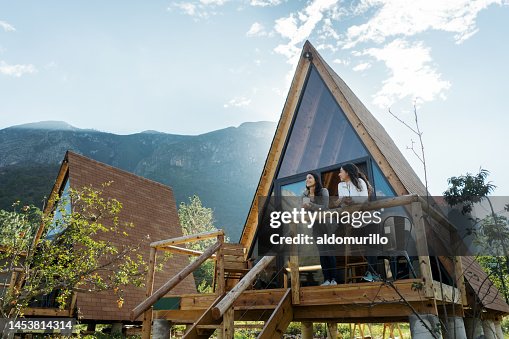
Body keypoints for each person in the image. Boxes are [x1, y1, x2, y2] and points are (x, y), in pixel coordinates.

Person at [335, 163, 379, 282]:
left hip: (370, 219)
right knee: (363, 247)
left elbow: (363, 198)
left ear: (347, 172)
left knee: (371, 247)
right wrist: (345, 201)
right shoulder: (341, 185)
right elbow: (343, 203)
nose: (339, 174)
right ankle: (373, 273)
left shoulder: (360, 181)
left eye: (341, 171)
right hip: (356, 221)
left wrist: (350, 200)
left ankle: (372, 274)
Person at [302, 173, 337, 286]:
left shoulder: (323, 191)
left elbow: (324, 207)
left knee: (329, 252)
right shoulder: (305, 194)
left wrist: (311, 205)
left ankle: (333, 279)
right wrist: (304, 210)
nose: (307, 180)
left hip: (327, 225)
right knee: (322, 253)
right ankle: (327, 279)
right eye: (306, 178)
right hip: (315, 227)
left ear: (316, 180)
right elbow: (305, 213)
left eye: (310, 177)